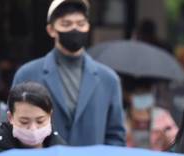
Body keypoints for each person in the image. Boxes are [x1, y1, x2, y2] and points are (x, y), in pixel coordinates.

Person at [12, 0, 125, 146]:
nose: (75, 29)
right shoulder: (27, 75)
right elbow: (14, 130)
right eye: (66, 24)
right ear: (51, 30)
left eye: (80, 24)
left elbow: (115, 136)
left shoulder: (108, 79)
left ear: (88, 27)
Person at [123, 79, 177, 151]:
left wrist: (167, 141)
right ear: (128, 96)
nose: (143, 97)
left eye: (146, 92)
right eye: (138, 93)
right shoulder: (122, 118)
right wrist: (126, 137)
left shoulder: (162, 116)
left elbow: (177, 142)